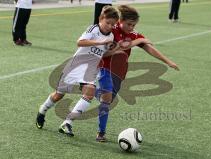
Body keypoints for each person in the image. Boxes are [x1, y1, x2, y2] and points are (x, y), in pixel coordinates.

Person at [35, 6, 150, 137]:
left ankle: (67, 123)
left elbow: (105, 53)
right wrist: (99, 41)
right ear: (101, 19)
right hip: (76, 66)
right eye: (108, 23)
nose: (110, 26)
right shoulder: (93, 29)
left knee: (89, 94)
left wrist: (116, 49)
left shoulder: (111, 35)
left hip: (90, 69)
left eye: (113, 24)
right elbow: (80, 42)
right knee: (58, 95)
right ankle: (42, 110)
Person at [95, 5, 179, 142]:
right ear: (120, 21)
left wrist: (167, 61)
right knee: (106, 100)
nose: (131, 28)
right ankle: (101, 133)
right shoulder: (112, 30)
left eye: (134, 25)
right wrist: (138, 41)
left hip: (119, 72)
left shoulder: (133, 34)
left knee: (107, 100)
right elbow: (120, 45)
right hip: (104, 68)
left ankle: (91, 92)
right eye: (129, 24)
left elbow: (149, 47)